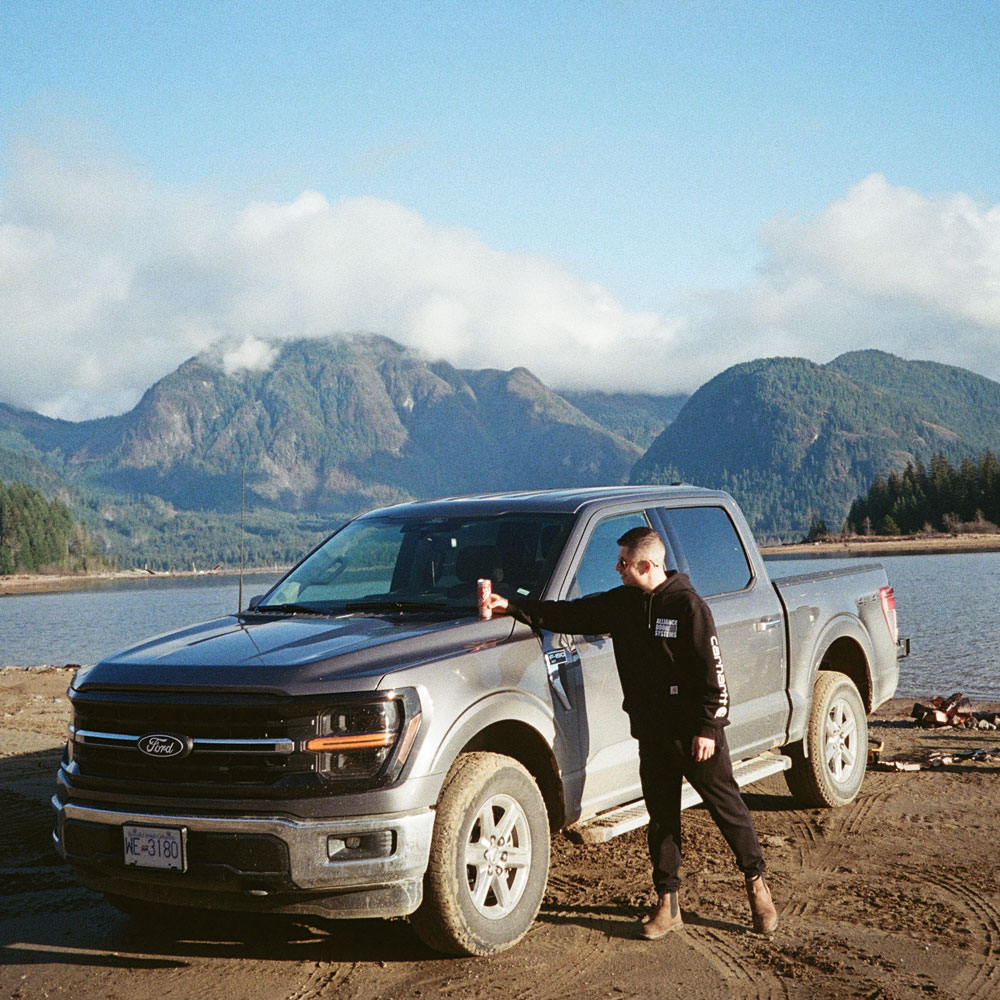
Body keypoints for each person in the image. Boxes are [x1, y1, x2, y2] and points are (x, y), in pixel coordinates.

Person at [485, 525, 778, 939]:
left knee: (727, 811)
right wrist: (511, 605)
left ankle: (757, 887)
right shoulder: (623, 604)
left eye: (623, 562)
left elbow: (713, 672)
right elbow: (568, 614)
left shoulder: (688, 606)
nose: (617, 568)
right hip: (652, 731)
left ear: (646, 564)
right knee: (661, 819)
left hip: (694, 732)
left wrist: (708, 727)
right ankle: (668, 904)